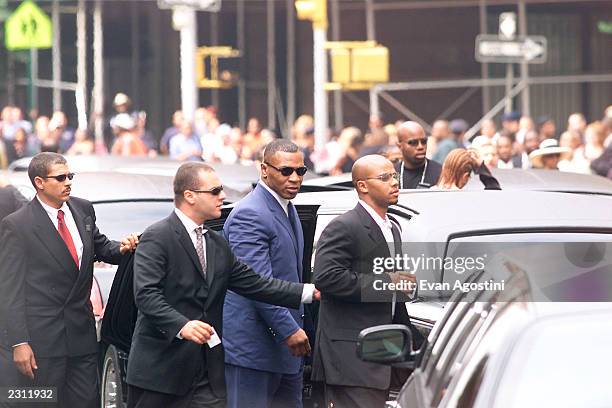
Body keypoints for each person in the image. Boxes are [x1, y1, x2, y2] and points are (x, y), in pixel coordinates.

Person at [125, 162, 319, 408]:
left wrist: (308, 292)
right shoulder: (157, 236)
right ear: (190, 196)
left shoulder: (216, 243)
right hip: (161, 371)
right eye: (215, 191)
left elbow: (256, 283)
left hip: (207, 373)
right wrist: (182, 325)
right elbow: (146, 295)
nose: (223, 196)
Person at [0, 152, 138, 408]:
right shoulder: (18, 225)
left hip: (81, 335)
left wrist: (123, 248)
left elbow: (101, 247)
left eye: (70, 176)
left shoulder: (82, 208)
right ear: (40, 182)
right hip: (42, 341)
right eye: (61, 177)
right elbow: (10, 291)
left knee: (85, 402)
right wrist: (19, 343)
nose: (68, 182)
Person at [312, 154, 423, 408]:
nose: (395, 182)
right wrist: (387, 282)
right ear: (362, 186)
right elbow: (326, 277)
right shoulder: (343, 225)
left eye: (395, 176)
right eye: (385, 178)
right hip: (350, 358)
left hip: (384, 354)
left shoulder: (392, 227)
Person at [223, 140, 310, 408]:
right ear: (264, 170)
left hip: (286, 350)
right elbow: (257, 284)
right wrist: (289, 330)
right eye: (286, 171)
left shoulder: (287, 207)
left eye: (301, 170)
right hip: (254, 349)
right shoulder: (249, 214)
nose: (295, 178)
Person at [395, 121, 442, 189]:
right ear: (399, 146)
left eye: (424, 141)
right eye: (413, 142)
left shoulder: (440, 172)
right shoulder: (394, 173)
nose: (420, 147)